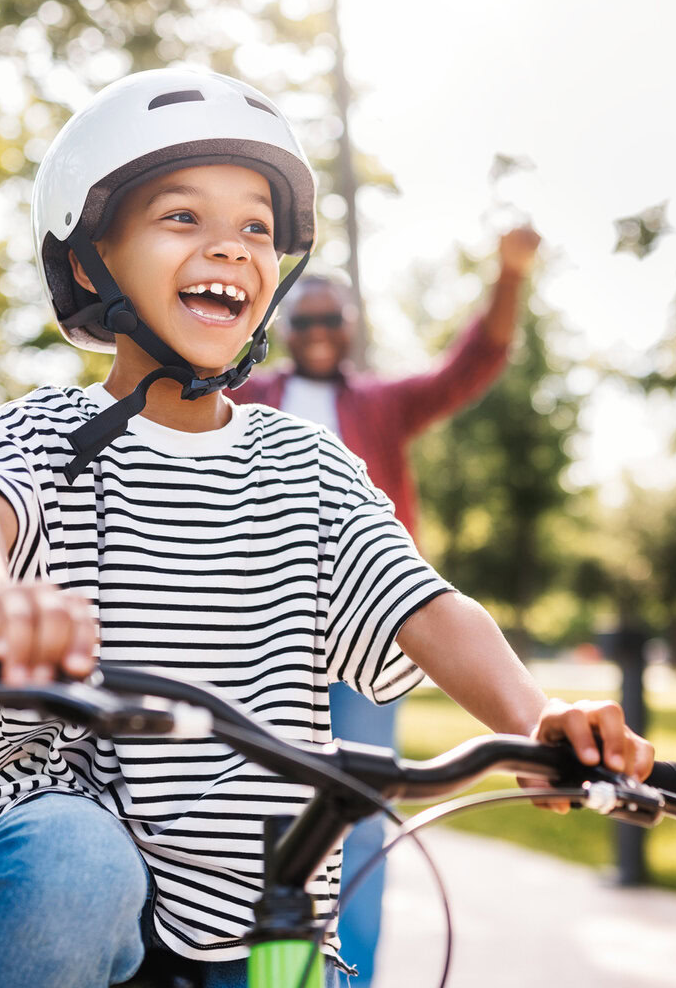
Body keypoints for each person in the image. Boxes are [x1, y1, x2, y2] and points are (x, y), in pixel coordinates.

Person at [0, 67, 654, 988]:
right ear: (91, 262)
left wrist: (535, 719)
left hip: (265, 883)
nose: (229, 246)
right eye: (182, 217)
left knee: (305, 961)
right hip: (77, 813)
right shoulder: (43, 433)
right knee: (69, 866)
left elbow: (425, 606)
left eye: (256, 227)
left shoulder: (310, 464)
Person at [226, 229, 538, 984]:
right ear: (282, 326)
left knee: (362, 819)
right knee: (254, 811)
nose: (318, 330)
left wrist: (508, 276)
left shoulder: (380, 404)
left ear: (352, 326)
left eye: (331, 318)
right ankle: (242, 968)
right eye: (304, 318)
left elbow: (471, 365)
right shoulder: (243, 396)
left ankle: (351, 977)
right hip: (263, 630)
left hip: (366, 631)